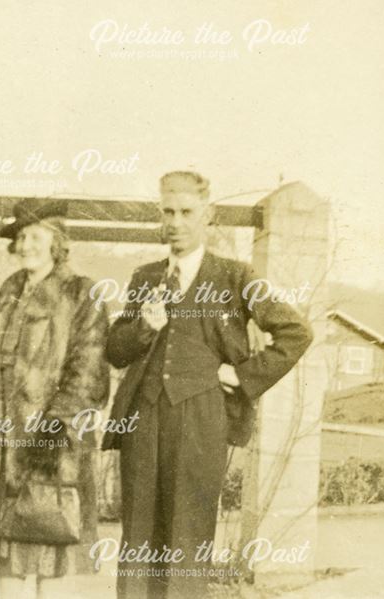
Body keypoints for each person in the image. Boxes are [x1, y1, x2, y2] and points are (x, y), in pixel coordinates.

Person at [104, 171, 314, 598]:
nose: (176, 222)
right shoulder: (146, 277)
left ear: (208, 216)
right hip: (143, 420)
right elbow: (115, 350)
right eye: (168, 212)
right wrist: (144, 326)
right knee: (139, 536)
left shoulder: (234, 277)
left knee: (187, 536)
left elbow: (296, 332)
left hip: (201, 422)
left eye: (186, 212)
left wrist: (243, 374)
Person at [0, 199, 109, 599]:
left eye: (36, 236)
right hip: (4, 446)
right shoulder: (10, 290)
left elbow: (89, 372)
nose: (27, 244)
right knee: (10, 549)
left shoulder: (81, 293)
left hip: (53, 445)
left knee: (53, 543)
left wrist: (52, 431)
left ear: (56, 243)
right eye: (21, 237)